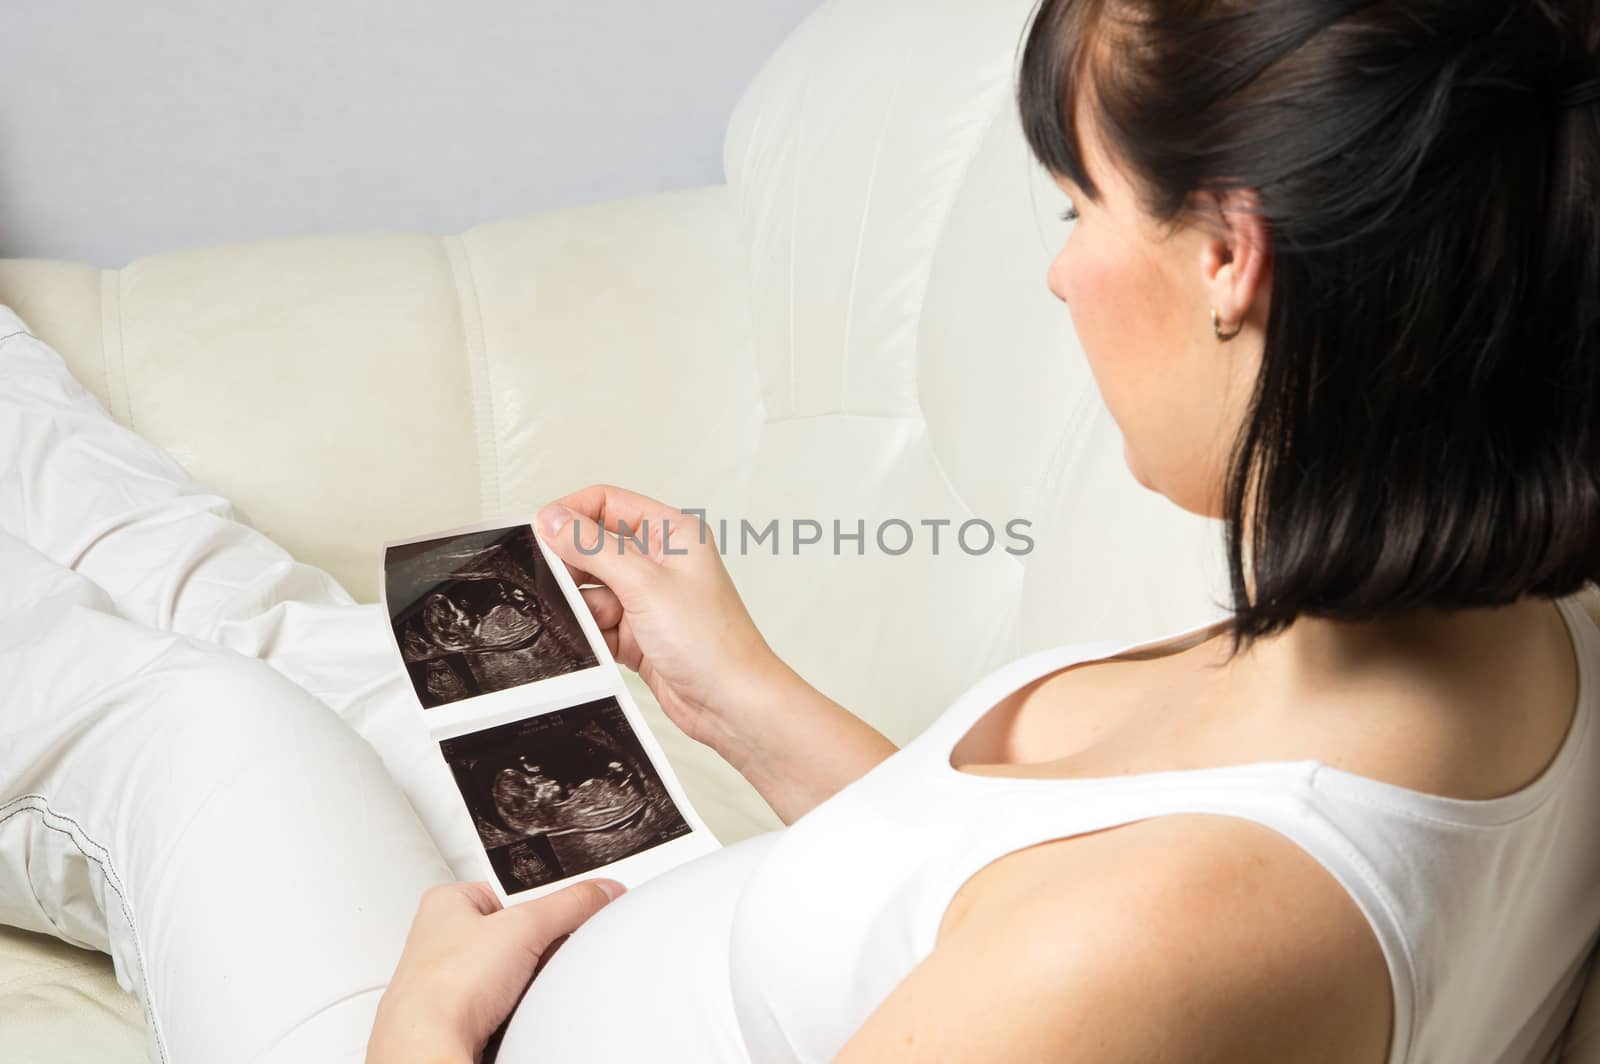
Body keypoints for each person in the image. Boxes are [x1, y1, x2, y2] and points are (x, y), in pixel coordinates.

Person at [2, 0, 1598, 1062]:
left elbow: (1078, 951)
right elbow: (978, 900)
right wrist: (730, 688)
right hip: (637, 927)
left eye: (1079, 207)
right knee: (310, 640)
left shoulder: (1165, 943)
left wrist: (419, 1035)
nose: (1057, 275)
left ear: (1230, 258)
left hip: (440, 1031)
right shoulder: (1492, 620)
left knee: (182, 713)